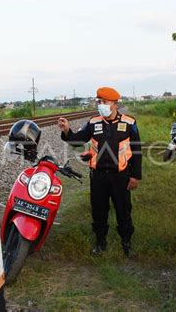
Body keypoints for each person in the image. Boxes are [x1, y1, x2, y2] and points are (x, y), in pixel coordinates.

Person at [58, 87, 142, 257]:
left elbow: (137, 151)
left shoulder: (129, 123)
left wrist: (135, 176)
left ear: (115, 103)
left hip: (121, 176)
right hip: (98, 177)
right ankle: (100, 242)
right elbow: (78, 141)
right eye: (99, 102)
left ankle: (126, 243)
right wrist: (67, 130)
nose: (100, 105)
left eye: (104, 102)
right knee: (98, 210)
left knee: (123, 210)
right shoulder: (93, 122)